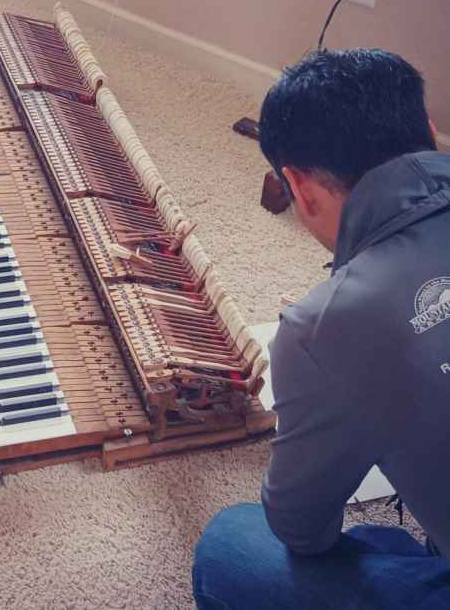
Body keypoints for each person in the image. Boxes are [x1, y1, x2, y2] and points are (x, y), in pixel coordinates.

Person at [192, 49, 450, 609]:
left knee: (232, 547)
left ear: (298, 187)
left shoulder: (323, 327)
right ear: (431, 132)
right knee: (392, 538)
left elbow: (304, 532)